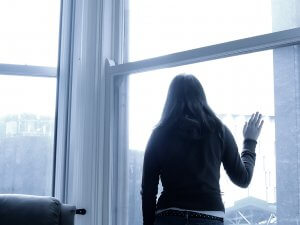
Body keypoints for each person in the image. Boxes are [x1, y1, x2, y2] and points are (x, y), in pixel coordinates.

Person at [141, 74, 264, 225]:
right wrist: (250, 142)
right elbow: (243, 179)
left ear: (170, 100)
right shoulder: (219, 131)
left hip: (169, 216)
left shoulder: (159, 134)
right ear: (201, 97)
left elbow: (148, 189)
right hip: (209, 216)